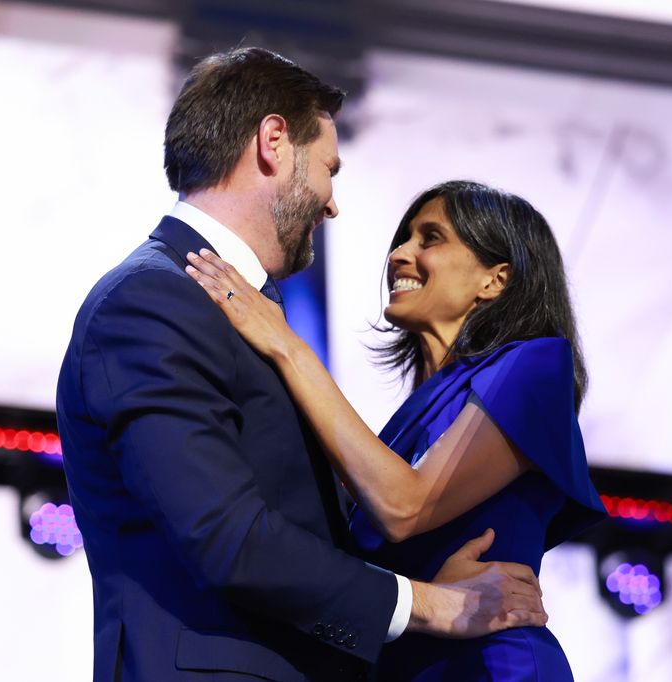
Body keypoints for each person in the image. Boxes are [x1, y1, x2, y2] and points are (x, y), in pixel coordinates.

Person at [56, 47, 548, 682]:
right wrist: (430, 604)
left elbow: (298, 542)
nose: (332, 202)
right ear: (273, 143)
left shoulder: (228, 308)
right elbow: (228, 539)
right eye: (329, 169)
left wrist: (416, 587)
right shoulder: (152, 300)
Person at [183, 180, 607, 680]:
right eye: (404, 239)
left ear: (495, 279)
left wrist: (286, 345)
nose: (400, 254)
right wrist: (431, 592)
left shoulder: (535, 366)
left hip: (492, 667)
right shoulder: (403, 428)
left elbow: (406, 506)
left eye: (430, 239)